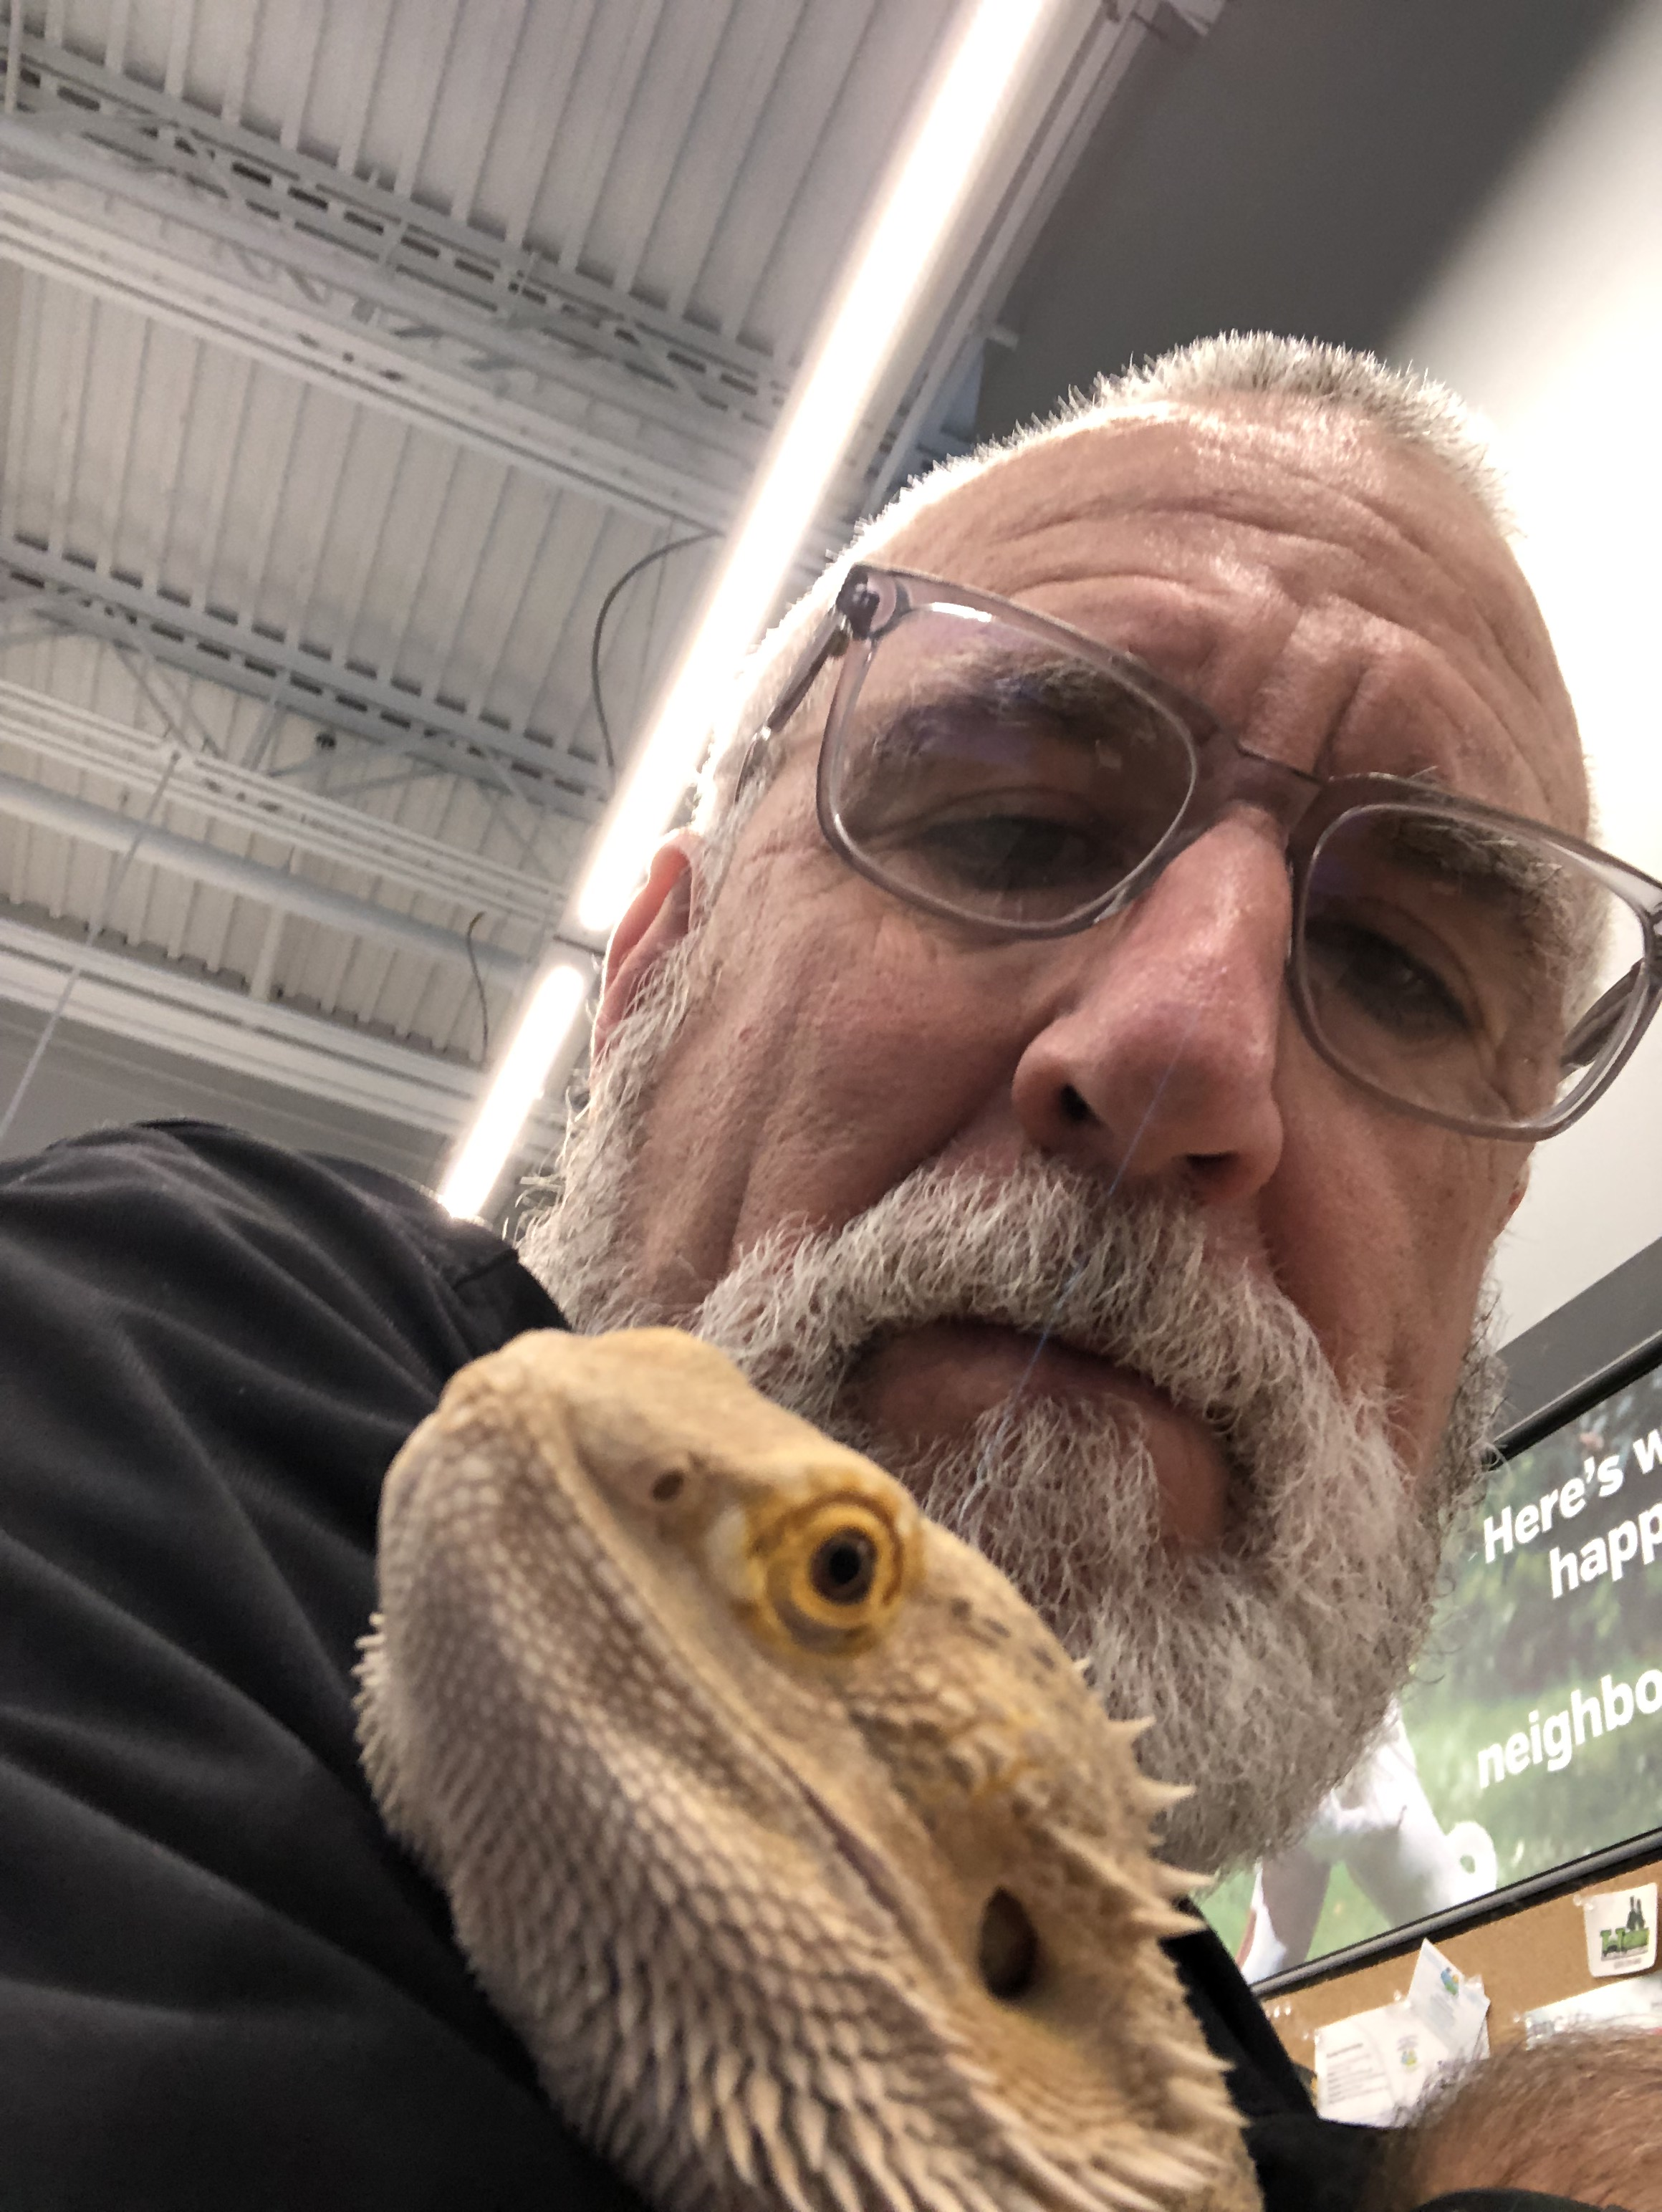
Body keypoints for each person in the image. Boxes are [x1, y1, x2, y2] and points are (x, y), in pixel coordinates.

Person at [1, 333, 1658, 2211]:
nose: (1191, 1046)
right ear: (651, 979)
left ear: (1487, 1243)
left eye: (1400, 972)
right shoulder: (189, 1362)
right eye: (1015, 829)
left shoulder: (1177, 2042)